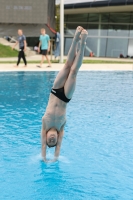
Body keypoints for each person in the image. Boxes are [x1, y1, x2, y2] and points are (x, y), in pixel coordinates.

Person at [41, 26, 88, 163]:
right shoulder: (61, 128)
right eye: (53, 141)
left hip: (55, 92)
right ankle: (83, 42)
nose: (52, 139)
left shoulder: (45, 124)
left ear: (46, 136)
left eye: (50, 140)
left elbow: (43, 146)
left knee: (67, 65)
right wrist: (55, 158)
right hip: (66, 96)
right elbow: (59, 146)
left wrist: (45, 159)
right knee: (73, 71)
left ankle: (75, 38)